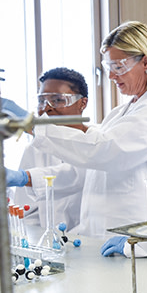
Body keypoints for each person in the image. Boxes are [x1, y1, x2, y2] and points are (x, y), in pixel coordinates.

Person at [1, 22, 147, 248]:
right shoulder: (121, 112)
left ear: (145, 62)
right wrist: (25, 177)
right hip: (99, 236)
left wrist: (32, 126)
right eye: (108, 67)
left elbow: (102, 151)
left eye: (118, 66)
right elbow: (87, 172)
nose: (111, 76)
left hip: (134, 237)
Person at [14, 67, 90, 232]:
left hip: (96, 242)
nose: (46, 108)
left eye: (57, 100)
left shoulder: (99, 143)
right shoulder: (34, 150)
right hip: (51, 246)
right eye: (42, 101)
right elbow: (26, 212)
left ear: (82, 103)